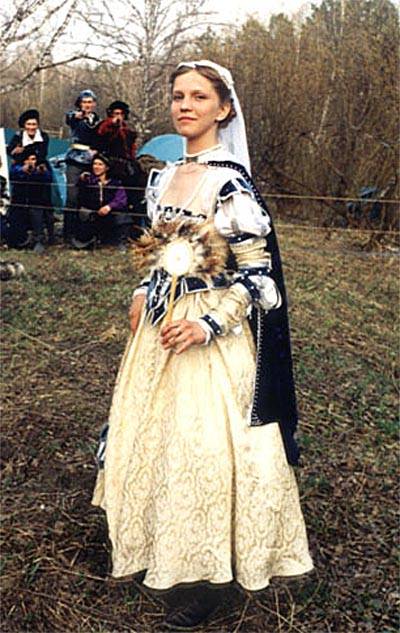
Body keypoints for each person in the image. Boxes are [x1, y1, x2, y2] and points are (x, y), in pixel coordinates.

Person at [91, 60, 313, 629]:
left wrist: (208, 325)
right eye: (178, 96)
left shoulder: (229, 183)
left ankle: (211, 574)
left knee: (206, 449)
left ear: (224, 108)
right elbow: (161, 252)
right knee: (156, 438)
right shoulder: (164, 177)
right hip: (159, 330)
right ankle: (159, 542)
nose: (185, 105)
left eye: (198, 97)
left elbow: (259, 278)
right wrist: (143, 290)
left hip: (209, 335)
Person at [95, 100, 138, 247]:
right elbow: (101, 136)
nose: (118, 116)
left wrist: (132, 161)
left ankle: (126, 234)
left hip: (125, 167)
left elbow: (131, 150)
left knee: (128, 197)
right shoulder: (105, 127)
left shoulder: (127, 131)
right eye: (115, 113)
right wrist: (112, 125)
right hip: (110, 166)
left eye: (121, 114)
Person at [63, 89, 99, 243]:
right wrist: (78, 116)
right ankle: (68, 233)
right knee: (72, 197)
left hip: (92, 161)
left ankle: (86, 233)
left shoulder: (97, 120)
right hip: (75, 160)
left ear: (94, 104)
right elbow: (70, 118)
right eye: (84, 102)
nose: (87, 105)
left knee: (89, 197)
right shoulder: (75, 116)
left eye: (90, 102)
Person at [74, 153, 127, 249]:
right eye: (95, 164)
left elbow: (121, 199)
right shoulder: (88, 180)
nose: (96, 167)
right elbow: (80, 197)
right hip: (92, 213)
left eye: (100, 164)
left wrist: (109, 206)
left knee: (122, 217)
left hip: (109, 214)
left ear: (107, 168)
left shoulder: (115, 183)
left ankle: (117, 241)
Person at [7, 148, 52, 253]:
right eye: (28, 159)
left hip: (36, 202)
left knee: (37, 218)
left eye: (33, 159)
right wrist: (23, 170)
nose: (31, 162)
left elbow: (48, 178)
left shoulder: (40, 169)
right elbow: (12, 174)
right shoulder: (17, 168)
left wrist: (41, 172)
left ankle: (38, 241)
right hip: (20, 203)